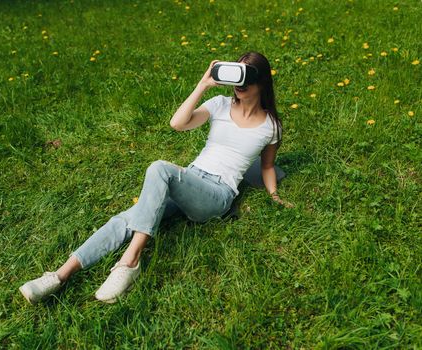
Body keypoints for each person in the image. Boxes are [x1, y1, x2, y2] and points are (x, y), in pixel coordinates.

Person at [19, 51, 293, 305]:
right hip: (191, 179)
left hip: (217, 195)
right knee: (126, 219)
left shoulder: (271, 126)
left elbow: (267, 166)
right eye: (236, 73)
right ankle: (59, 276)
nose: (239, 84)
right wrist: (203, 85)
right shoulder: (219, 104)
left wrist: (275, 196)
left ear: (262, 82)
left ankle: (130, 262)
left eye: (247, 77)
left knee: (160, 168)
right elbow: (178, 124)